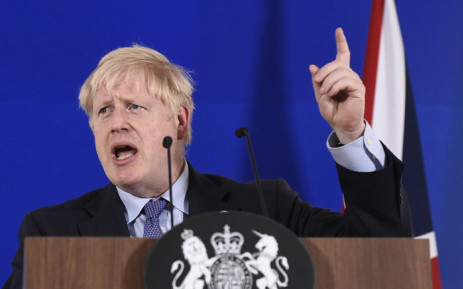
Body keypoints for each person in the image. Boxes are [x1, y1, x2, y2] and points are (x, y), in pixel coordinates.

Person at [2, 28, 412, 289]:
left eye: (134, 107)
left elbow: (378, 253)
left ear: (180, 122)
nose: (116, 123)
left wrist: (351, 133)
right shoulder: (50, 232)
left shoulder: (266, 209)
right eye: (103, 111)